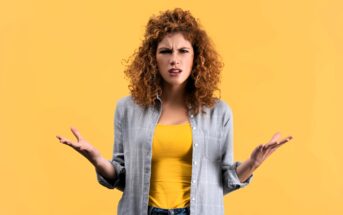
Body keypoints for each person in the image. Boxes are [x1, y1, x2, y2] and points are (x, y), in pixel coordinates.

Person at [56, 8, 293, 215]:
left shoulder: (219, 112)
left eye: (183, 51)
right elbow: (121, 178)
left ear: (196, 58)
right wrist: (96, 160)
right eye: (165, 51)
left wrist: (253, 162)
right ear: (152, 58)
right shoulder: (127, 109)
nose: (174, 60)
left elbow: (224, 182)